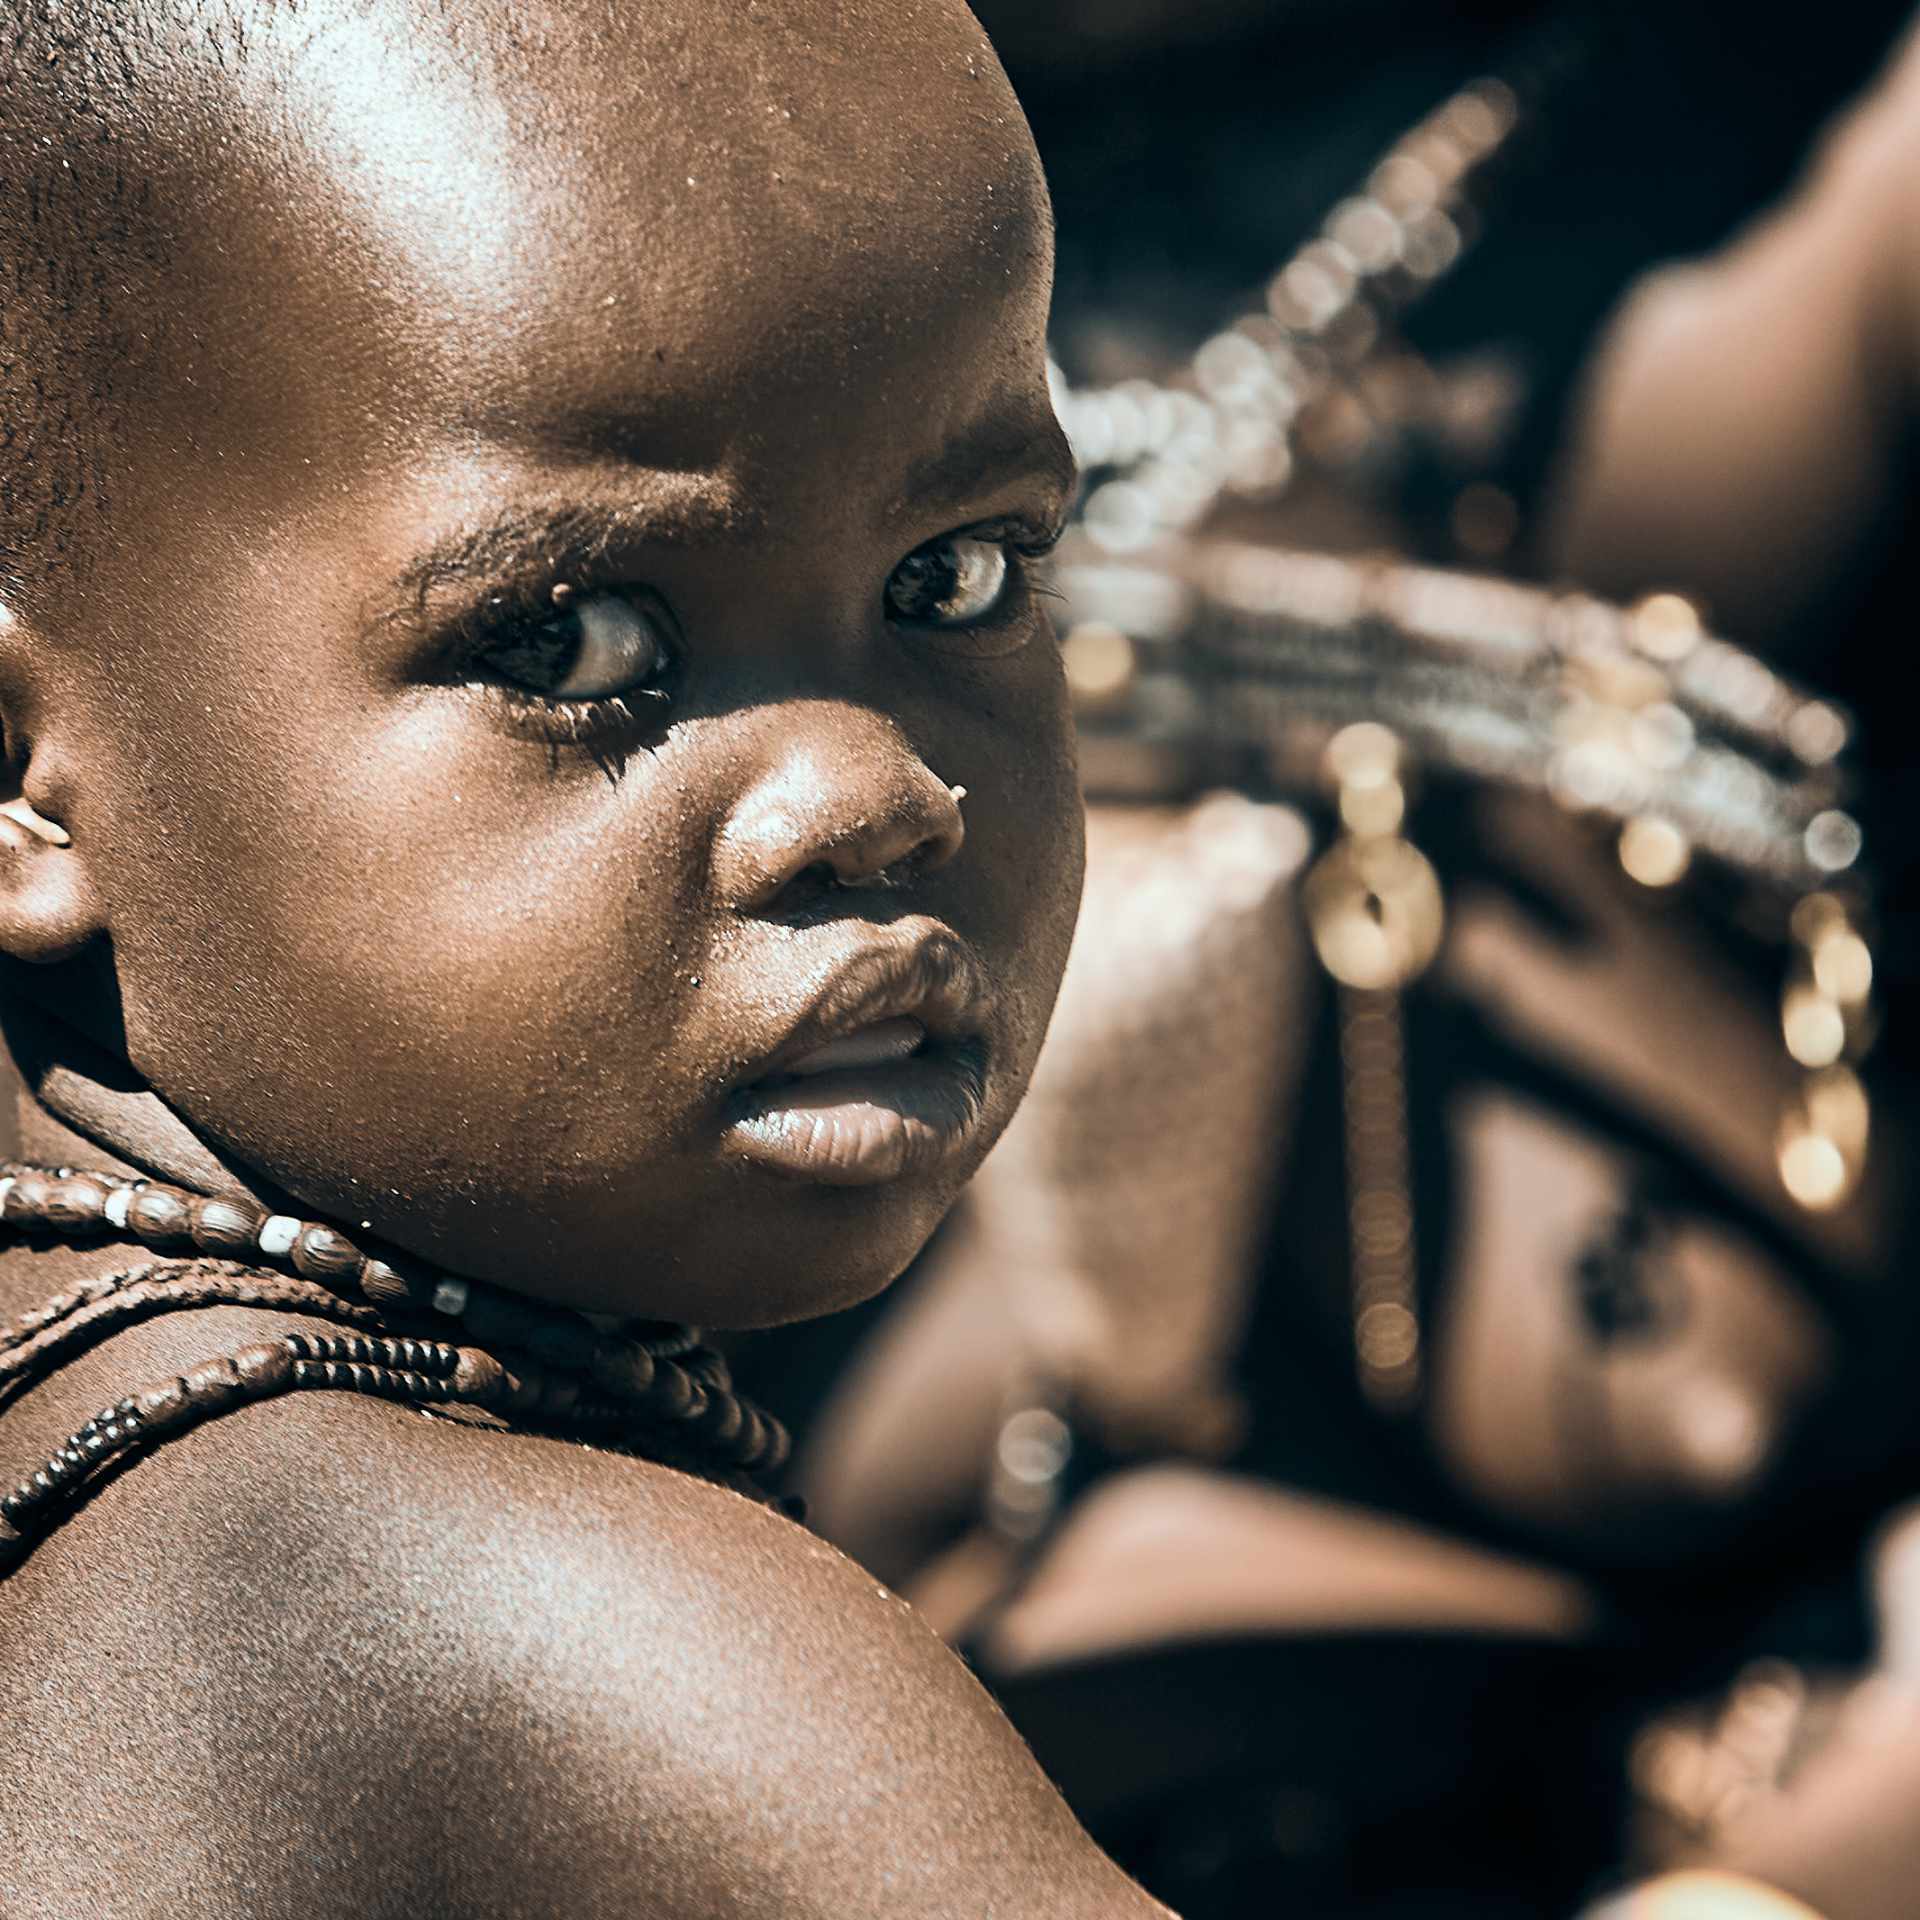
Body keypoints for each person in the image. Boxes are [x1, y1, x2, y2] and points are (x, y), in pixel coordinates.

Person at [0, 5, 1173, 1914]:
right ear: (25, 786)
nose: (877, 796)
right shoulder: (590, 1655)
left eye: (956, 579)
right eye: (579, 647)